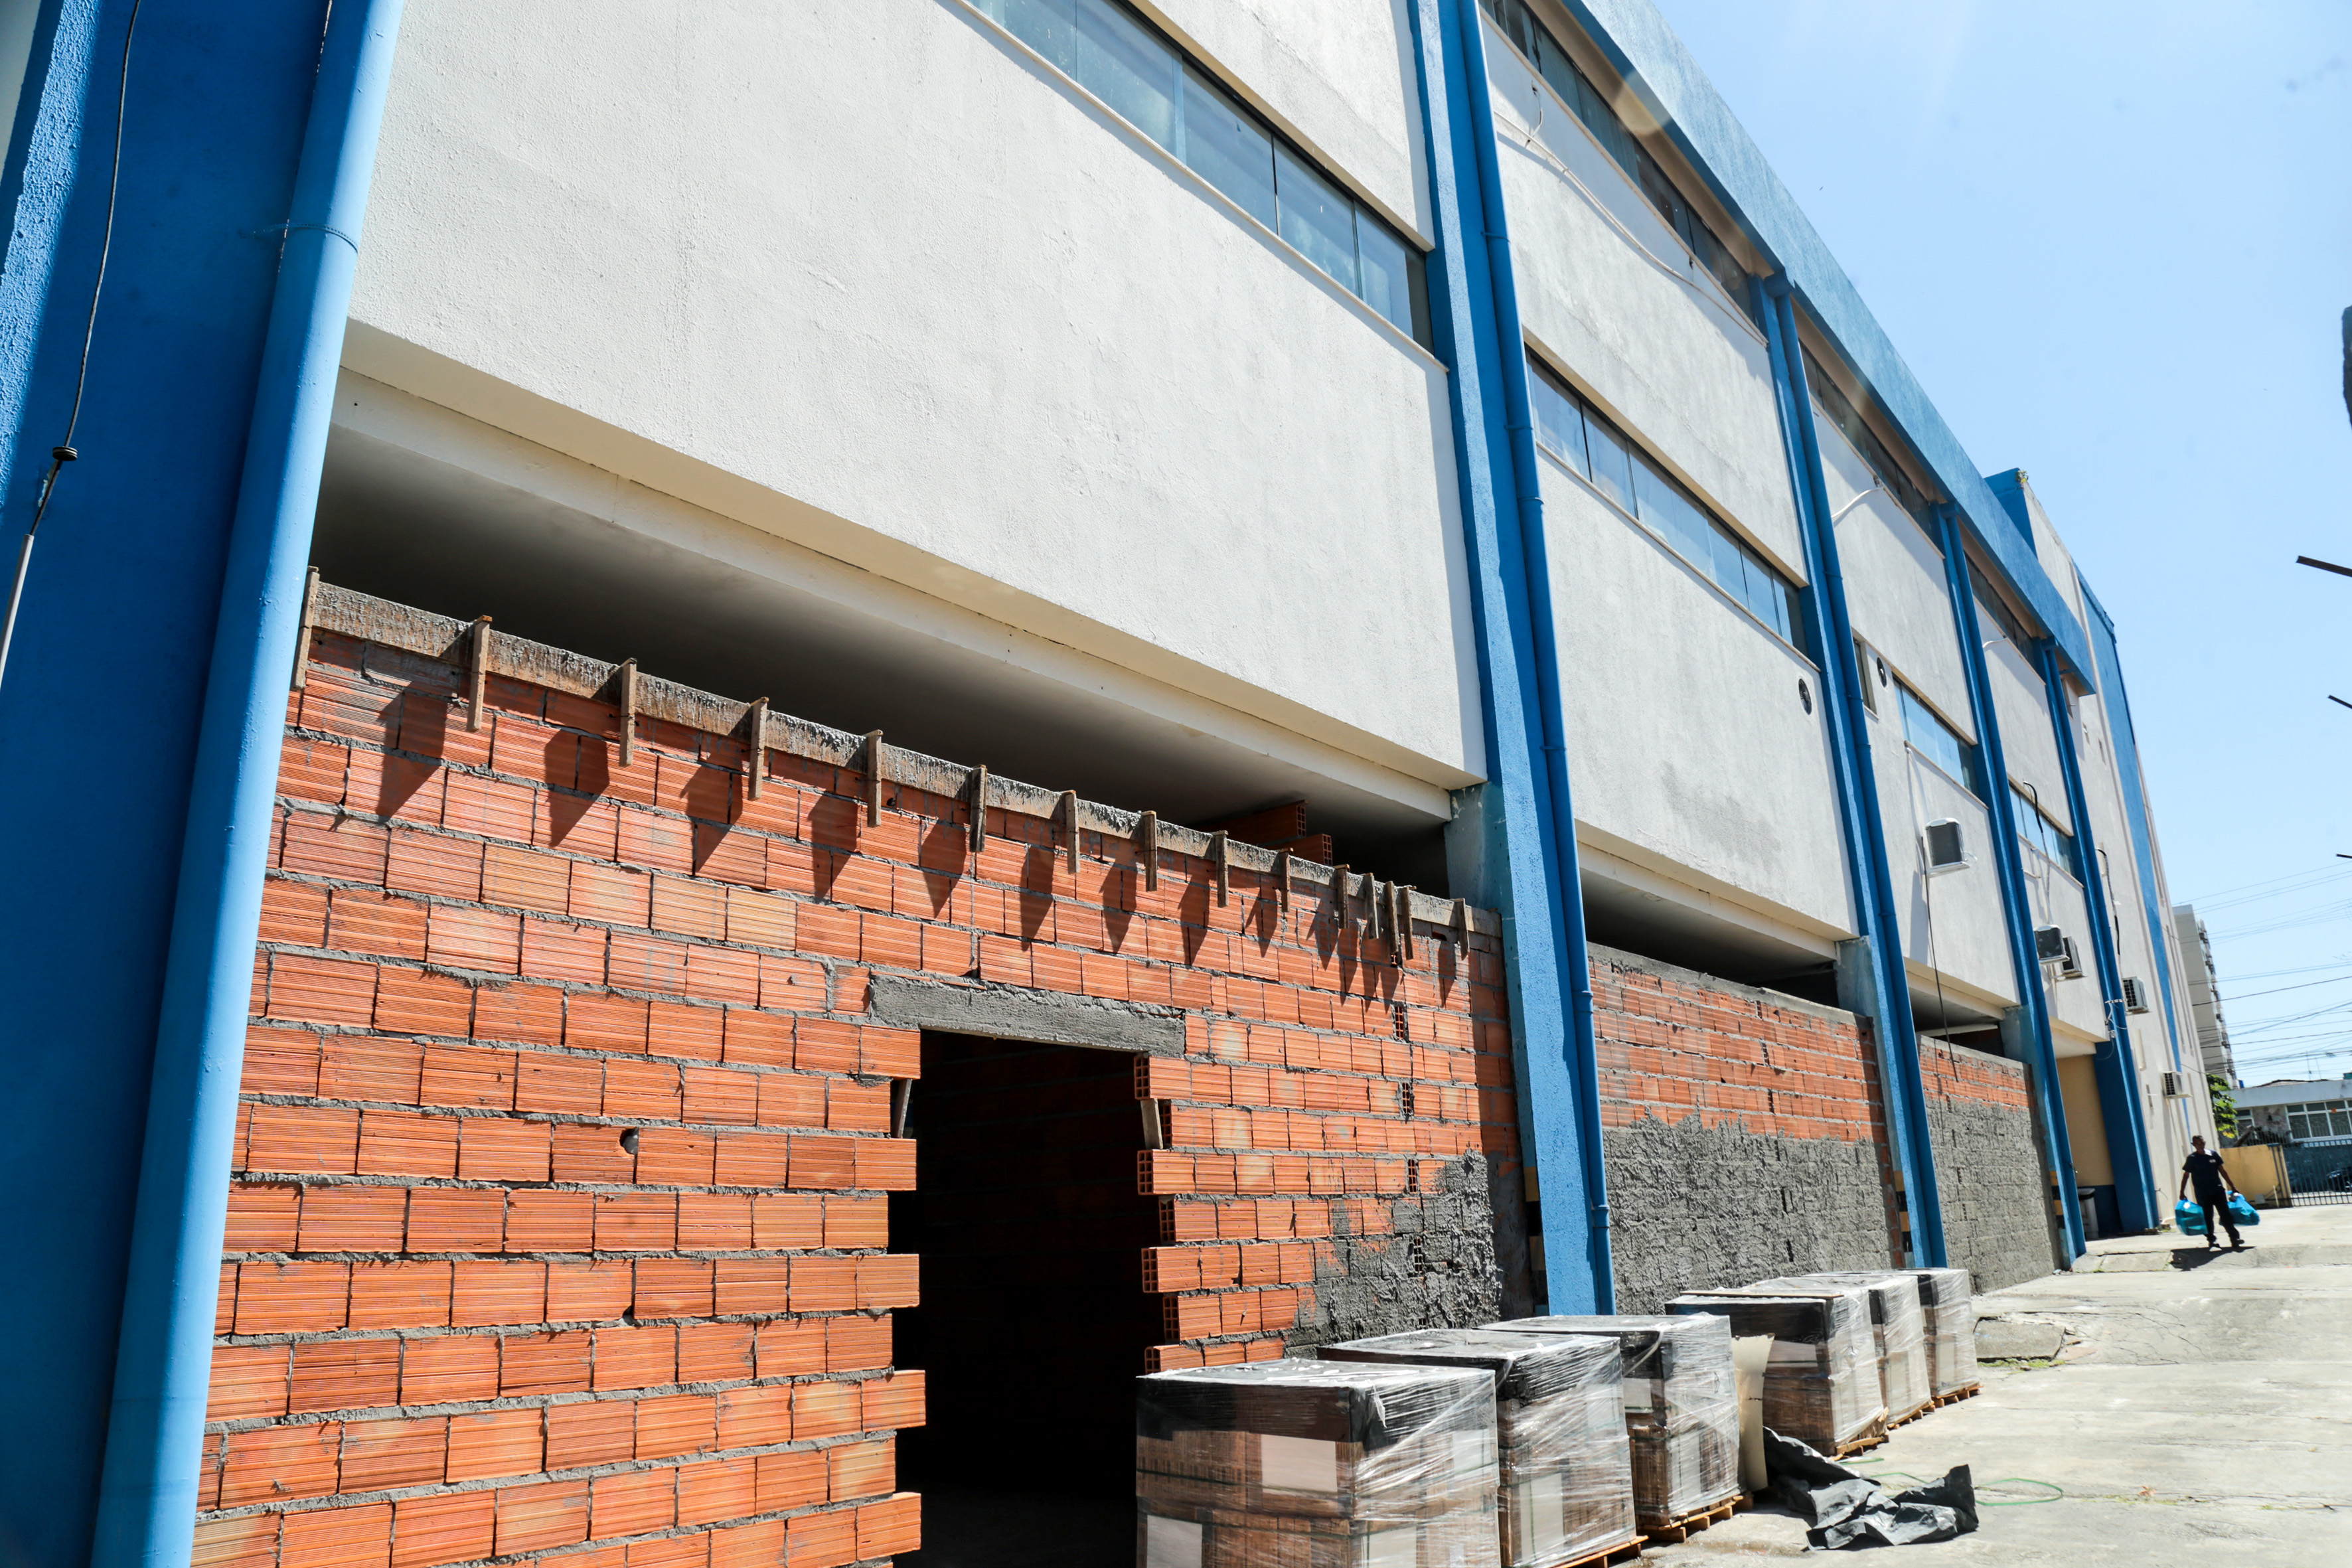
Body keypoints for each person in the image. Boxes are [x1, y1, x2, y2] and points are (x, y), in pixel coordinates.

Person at [2178, 1135, 2245, 1251]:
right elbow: (2186, 1176)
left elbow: (2223, 1171)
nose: (2200, 1145)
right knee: (2207, 1218)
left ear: (2205, 1142)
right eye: (2197, 1143)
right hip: (2203, 1193)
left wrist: (2233, 1186)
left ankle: (2235, 1239)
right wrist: (2182, 1192)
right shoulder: (2192, 1158)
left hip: (2218, 1191)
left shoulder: (2213, 1155)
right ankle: (2211, 1240)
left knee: (2226, 1215)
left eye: (2202, 1142)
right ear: (2194, 1145)